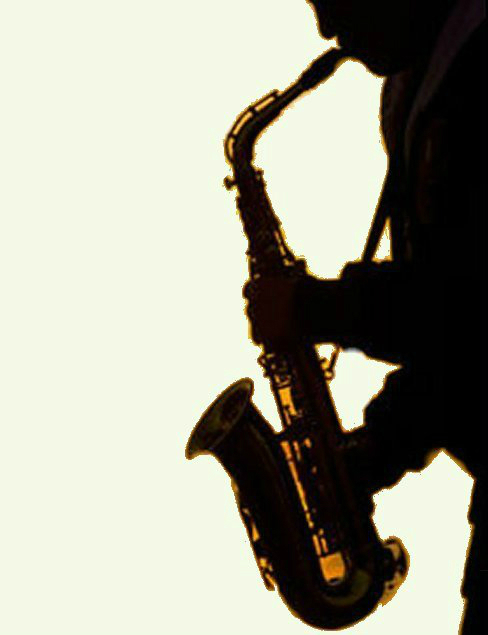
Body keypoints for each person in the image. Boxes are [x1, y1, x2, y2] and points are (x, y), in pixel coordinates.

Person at [244, 0, 486, 632]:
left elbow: (473, 305)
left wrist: (315, 308)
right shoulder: (415, 88)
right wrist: (377, 450)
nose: (327, 28)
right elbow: (461, 354)